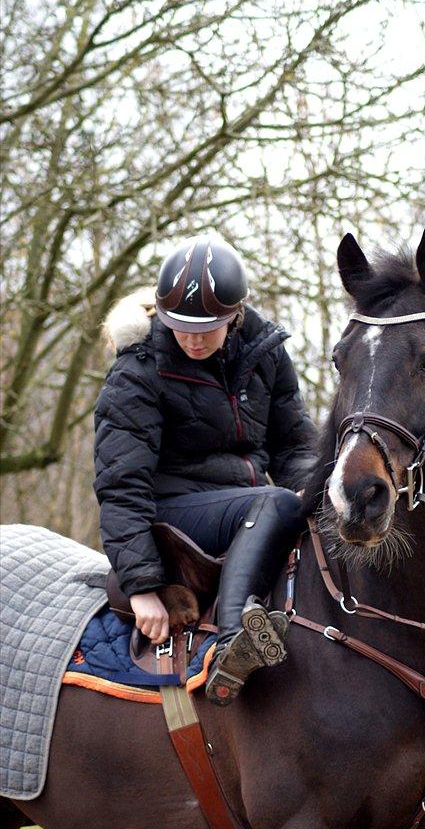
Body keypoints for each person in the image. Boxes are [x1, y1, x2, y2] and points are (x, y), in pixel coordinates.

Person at [93, 234, 317, 705]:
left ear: (235, 315)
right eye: (181, 326)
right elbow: (120, 484)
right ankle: (233, 641)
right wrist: (141, 588)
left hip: (248, 513)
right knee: (275, 502)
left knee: (297, 506)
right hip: (171, 518)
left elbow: (294, 446)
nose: (193, 338)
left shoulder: (266, 354)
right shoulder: (138, 370)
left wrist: (323, 505)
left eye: (207, 327)